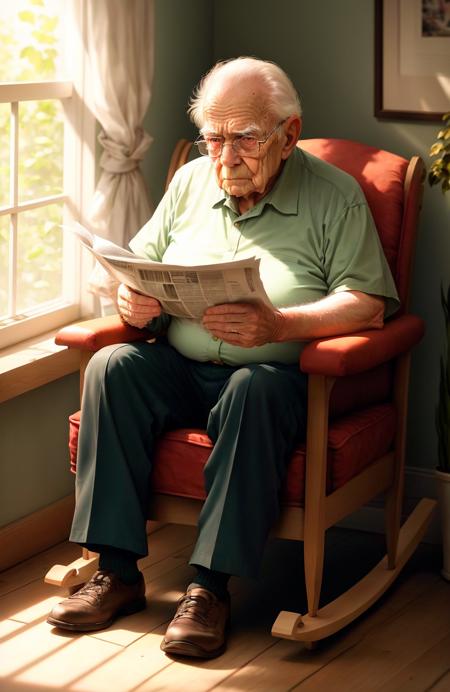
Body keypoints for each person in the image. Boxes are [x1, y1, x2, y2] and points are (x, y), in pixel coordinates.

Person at [47, 57, 399, 659]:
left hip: (275, 378)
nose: (226, 158)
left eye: (246, 139)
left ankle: (208, 588)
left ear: (288, 135)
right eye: (214, 138)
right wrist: (131, 298)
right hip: (182, 366)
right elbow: (139, 264)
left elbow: (367, 303)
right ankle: (116, 572)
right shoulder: (191, 180)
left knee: (253, 388)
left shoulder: (335, 195)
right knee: (112, 366)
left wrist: (281, 324)